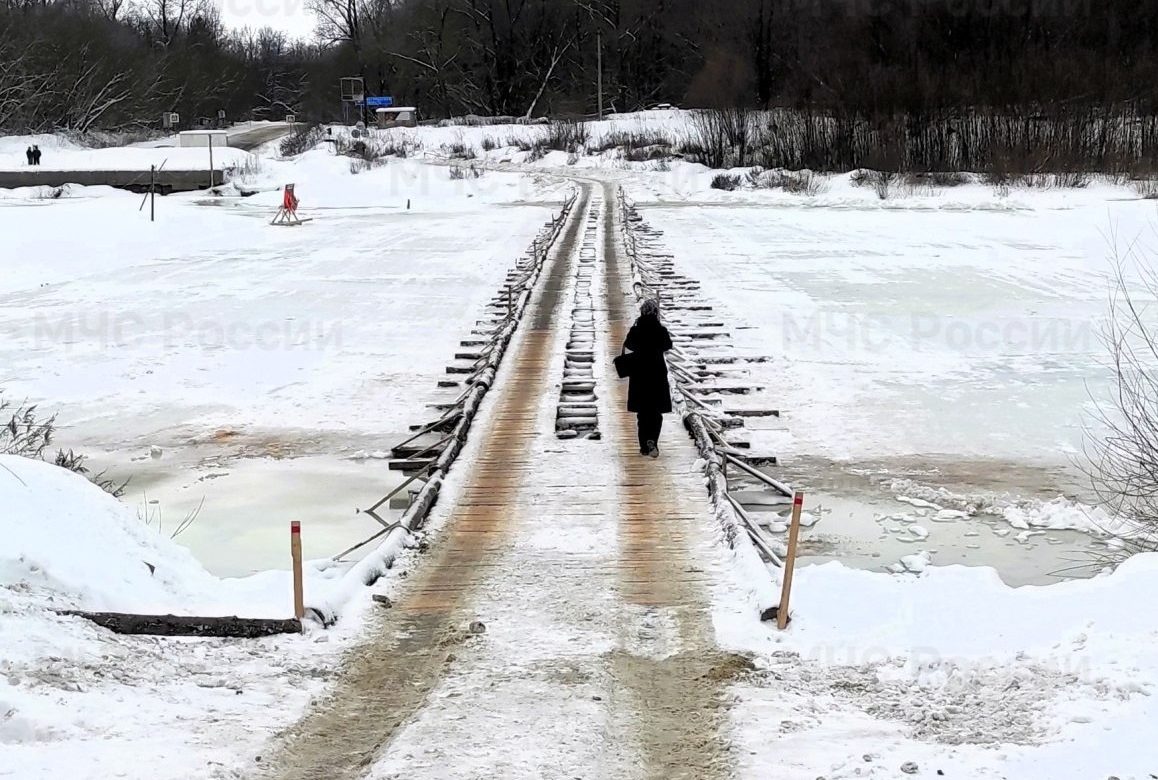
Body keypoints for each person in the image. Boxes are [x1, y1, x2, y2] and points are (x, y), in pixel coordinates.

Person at [623, 298, 673, 458]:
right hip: (657, 373)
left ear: (642, 312)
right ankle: (653, 441)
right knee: (656, 412)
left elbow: (629, 345)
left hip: (639, 373)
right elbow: (667, 345)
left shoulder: (636, 329)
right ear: (657, 313)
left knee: (643, 413)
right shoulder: (660, 329)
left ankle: (644, 446)